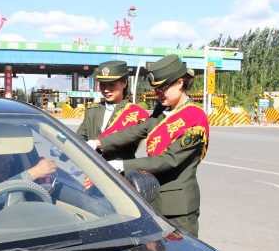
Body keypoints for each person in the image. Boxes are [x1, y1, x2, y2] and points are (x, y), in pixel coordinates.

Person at [87, 55, 209, 237]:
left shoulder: (194, 118)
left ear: (179, 83)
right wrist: (98, 143)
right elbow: (138, 130)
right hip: (153, 198)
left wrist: (122, 165)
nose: (157, 93)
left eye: (161, 88)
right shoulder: (162, 110)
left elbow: (170, 160)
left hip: (178, 207)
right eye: (155, 89)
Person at [76, 60, 149, 161]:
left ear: (124, 83)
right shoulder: (92, 111)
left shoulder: (136, 113)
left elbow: (126, 139)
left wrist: (97, 144)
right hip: (94, 168)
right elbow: (80, 138)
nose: (106, 90)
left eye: (111, 85)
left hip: (120, 169)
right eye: (103, 85)